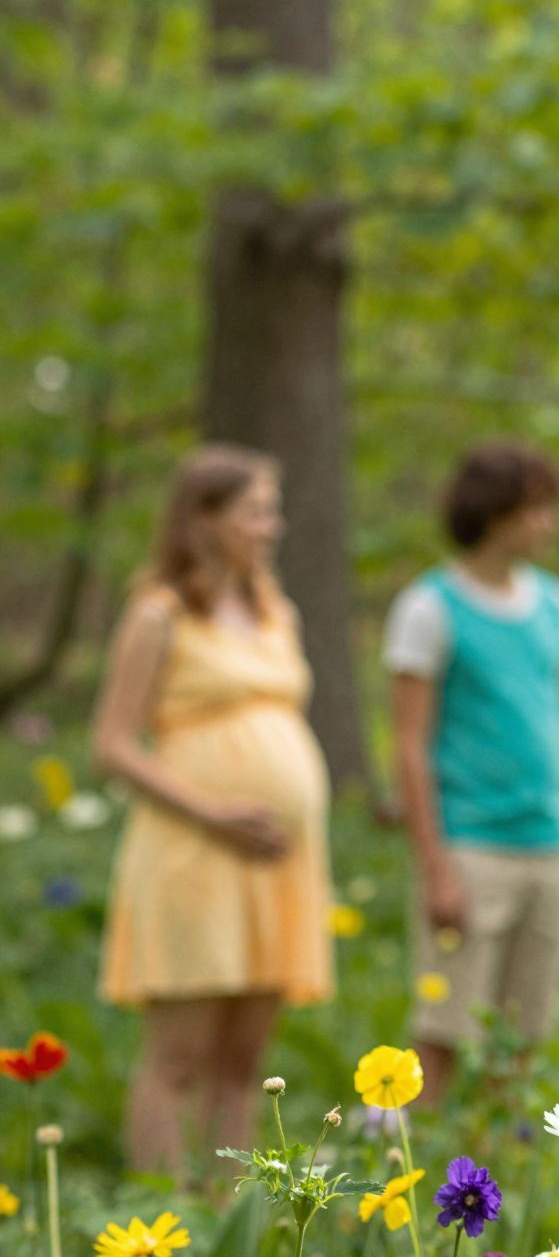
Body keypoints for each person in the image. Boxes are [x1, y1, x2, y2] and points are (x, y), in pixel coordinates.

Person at [95, 445, 334, 1176]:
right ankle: (162, 1226)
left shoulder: (273, 611)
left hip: (277, 862)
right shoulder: (160, 615)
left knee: (245, 1061)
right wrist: (213, 811)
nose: (273, 525)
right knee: (180, 1058)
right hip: (194, 853)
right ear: (203, 518)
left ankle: (232, 1224)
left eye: (272, 509)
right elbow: (112, 743)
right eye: (256, 510)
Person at [384, 443, 559, 1101]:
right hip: (470, 847)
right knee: (444, 1034)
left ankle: (498, 1183)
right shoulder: (427, 609)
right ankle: (416, 1168)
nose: (549, 523)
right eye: (535, 508)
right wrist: (435, 868)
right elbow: (408, 747)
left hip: (552, 848)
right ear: (492, 513)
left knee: (525, 1039)